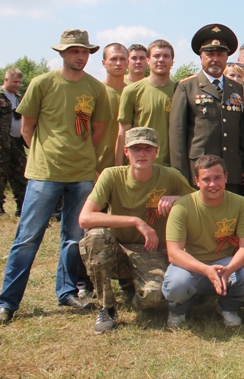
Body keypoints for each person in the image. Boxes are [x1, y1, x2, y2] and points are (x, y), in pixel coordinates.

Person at [0, 30, 111, 325]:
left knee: (73, 238)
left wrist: (81, 155)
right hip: (45, 174)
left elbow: (97, 131)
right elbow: (27, 129)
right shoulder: (42, 83)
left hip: (82, 174)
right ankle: (8, 301)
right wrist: (46, 156)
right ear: (62, 53)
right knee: (27, 238)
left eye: (85, 52)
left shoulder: (95, 89)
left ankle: (67, 292)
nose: (80, 56)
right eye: (75, 51)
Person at [78, 127, 194, 333]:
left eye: (147, 149)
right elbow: (85, 218)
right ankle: (107, 308)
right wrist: (135, 221)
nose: (142, 154)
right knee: (95, 236)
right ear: (126, 152)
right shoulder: (111, 176)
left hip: (150, 251)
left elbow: (201, 203)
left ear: (156, 152)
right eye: (136, 148)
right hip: (117, 250)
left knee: (155, 296)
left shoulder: (170, 176)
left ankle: (132, 287)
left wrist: (178, 199)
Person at [162, 155, 244, 329]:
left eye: (217, 178)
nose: (213, 184)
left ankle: (228, 308)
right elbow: (174, 253)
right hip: (191, 263)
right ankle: (178, 311)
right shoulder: (182, 206)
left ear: (226, 178)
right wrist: (206, 270)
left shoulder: (240, 203)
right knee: (176, 284)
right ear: (196, 181)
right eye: (206, 179)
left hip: (224, 263)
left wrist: (229, 270)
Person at [170, 24, 244, 192]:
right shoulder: (187, 86)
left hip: (231, 169)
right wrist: (180, 172)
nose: (215, 58)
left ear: (227, 57)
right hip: (199, 172)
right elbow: (177, 133)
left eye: (220, 54)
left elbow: (241, 130)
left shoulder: (236, 87)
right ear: (201, 57)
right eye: (210, 54)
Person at [117, 39, 175, 167]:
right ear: (148, 61)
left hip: (170, 167)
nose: (161, 60)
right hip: (138, 164)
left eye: (166, 56)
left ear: (172, 62)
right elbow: (123, 132)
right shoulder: (131, 91)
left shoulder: (180, 91)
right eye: (156, 56)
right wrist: (119, 167)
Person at [97, 44, 128, 173]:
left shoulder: (134, 92)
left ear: (128, 62)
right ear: (104, 63)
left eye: (122, 59)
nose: (118, 63)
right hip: (96, 167)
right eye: (113, 59)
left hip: (128, 168)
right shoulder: (95, 91)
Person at [0, 68, 27, 216]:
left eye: (19, 82)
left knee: (21, 175)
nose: (17, 85)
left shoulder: (18, 97)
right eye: (14, 82)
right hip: (2, 143)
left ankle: (22, 208)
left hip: (17, 142)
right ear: (6, 80)